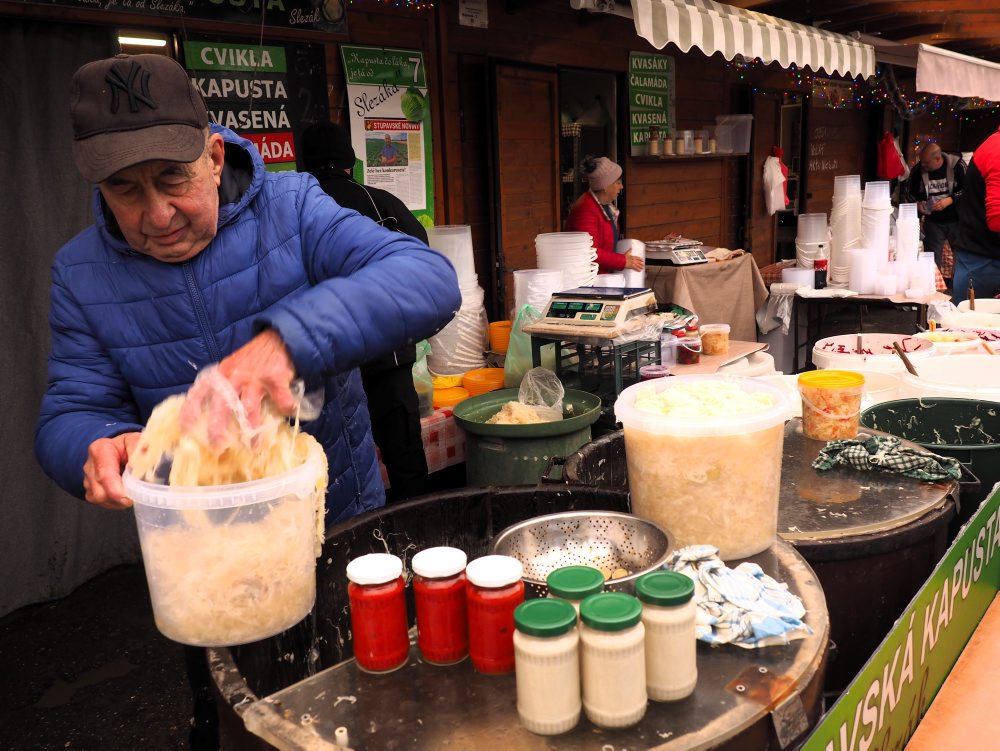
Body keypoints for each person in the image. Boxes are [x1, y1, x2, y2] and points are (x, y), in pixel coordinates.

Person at [34, 54, 460, 749]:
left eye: (173, 178)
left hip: (338, 538)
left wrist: (288, 342)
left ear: (211, 153)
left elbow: (425, 279)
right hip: (203, 570)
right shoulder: (81, 273)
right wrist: (95, 442)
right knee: (238, 725)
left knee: (364, 717)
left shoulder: (292, 209)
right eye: (125, 190)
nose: (158, 212)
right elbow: (68, 408)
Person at [301, 120, 429, 502]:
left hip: (322, 366)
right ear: (350, 162)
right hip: (385, 357)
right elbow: (421, 263)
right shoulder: (381, 204)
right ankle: (418, 542)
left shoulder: (294, 211)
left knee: (331, 470)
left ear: (303, 165)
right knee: (405, 459)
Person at [565, 156, 644, 275]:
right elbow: (590, 252)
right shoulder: (585, 209)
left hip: (602, 278)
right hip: (588, 280)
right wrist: (623, 261)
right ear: (605, 186)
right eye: (617, 183)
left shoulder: (605, 207)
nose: (621, 187)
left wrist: (622, 259)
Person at [953, 128, 1000, 303]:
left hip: (983, 258)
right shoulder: (997, 149)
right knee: (973, 328)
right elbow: (997, 219)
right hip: (984, 264)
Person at [905, 143, 965, 279]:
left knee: (961, 256)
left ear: (938, 159)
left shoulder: (957, 166)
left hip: (957, 219)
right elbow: (909, 194)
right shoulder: (918, 171)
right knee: (932, 259)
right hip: (933, 222)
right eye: (922, 162)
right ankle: (933, 287)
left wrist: (950, 200)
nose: (923, 166)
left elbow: (968, 190)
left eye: (926, 163)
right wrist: (918, 204)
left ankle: (958, 288)